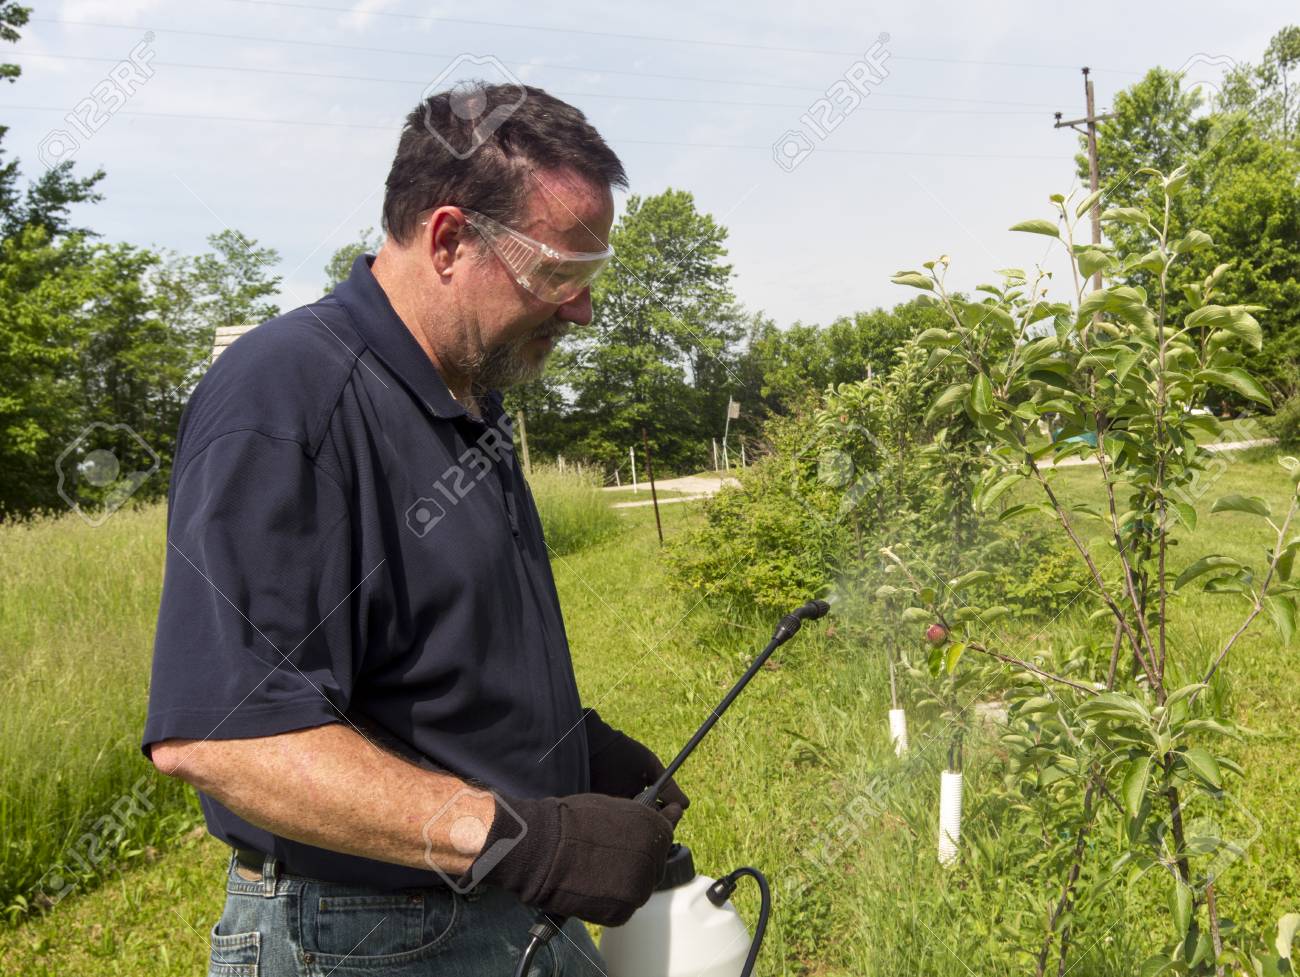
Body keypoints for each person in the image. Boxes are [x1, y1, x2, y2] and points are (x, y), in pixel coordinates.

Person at [143, 82, 688, 977]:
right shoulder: (288, 394)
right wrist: (526, 838)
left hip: (501, 904)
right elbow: (223, 736)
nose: (583, 310)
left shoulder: (465, 397)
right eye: (562, 274)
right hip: (365, 936)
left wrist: (568, 752)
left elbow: (430, 654)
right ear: (448, 239)